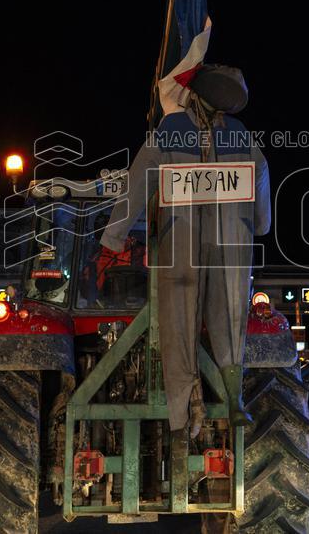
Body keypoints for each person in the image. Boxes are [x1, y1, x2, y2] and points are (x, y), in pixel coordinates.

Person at [100, 64, 271, 439]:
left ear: (196, 94)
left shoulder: (170, 130)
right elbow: (261, 176)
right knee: (230, 317)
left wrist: (113, 238)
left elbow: (138, 180)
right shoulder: (241, 135)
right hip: (232, 241)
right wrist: (260, 225)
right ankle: (233, 397)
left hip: (181, 239)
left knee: (178, 321)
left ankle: (180, 416)